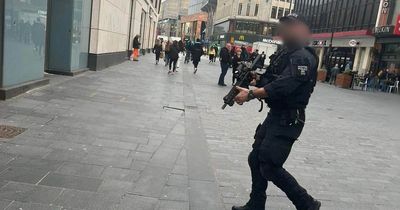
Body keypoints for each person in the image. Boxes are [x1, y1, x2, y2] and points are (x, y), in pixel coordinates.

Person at [231, 13, 321, 210]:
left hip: (289, 118)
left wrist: (252, 94)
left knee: (270, 165)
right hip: (276, 115)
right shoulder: (286, 53)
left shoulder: (303, 56)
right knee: (255, 158)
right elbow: (273, 79)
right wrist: (257, 79)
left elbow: (286, 85)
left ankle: (307, 204)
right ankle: (256, 203)